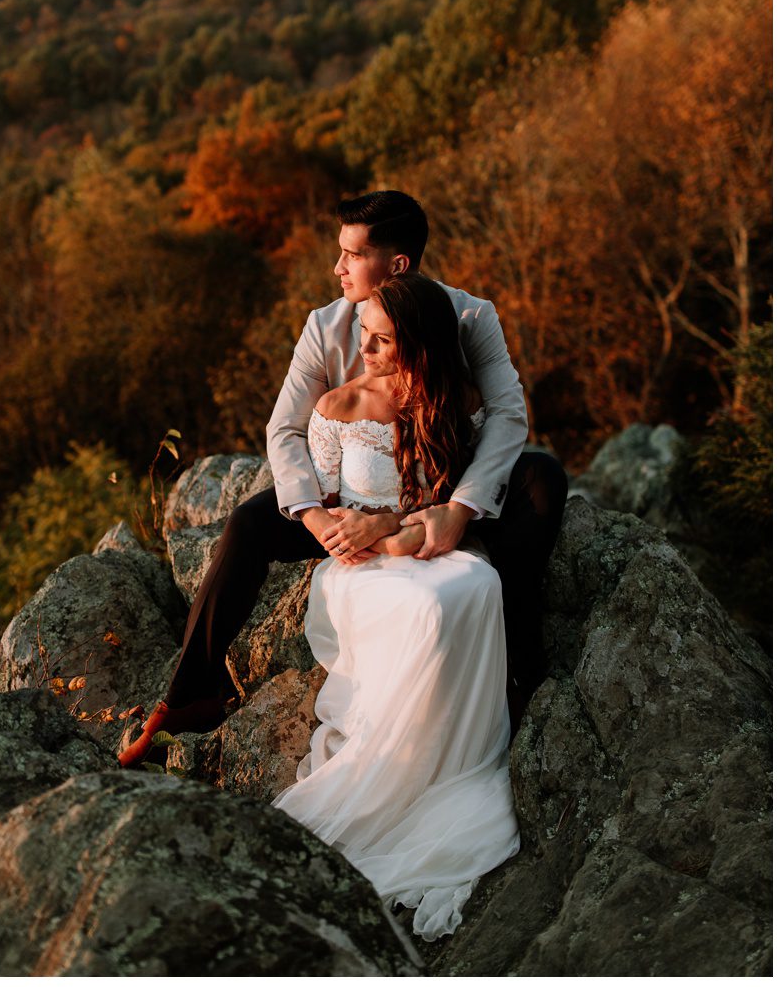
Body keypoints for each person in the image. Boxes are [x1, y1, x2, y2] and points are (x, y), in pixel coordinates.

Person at [118, 190, 565, 766]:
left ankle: (519, 665)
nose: (338, 268)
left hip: (442, 483)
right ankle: (191, 697)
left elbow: (506, 413)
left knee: (543, 478)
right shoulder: (324, 326)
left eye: (352, 255)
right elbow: (285, 429)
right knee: (247, 525)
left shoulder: (468, 316)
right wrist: (314, 517)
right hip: (345, 496)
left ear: (396, 265)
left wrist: (461, 509)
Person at [270, 272, 520, 940]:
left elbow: (445, 501)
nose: (367, 350)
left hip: (429, 548)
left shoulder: (456, 402)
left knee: (478, 586)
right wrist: (374, 533)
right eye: (365, 335)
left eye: (383, 341)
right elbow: (329, 514)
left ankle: (456, 757)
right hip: (363, 567)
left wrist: (403, 526)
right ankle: (401, 760)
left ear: (421, 344)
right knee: (428, 610)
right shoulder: (338, 406)